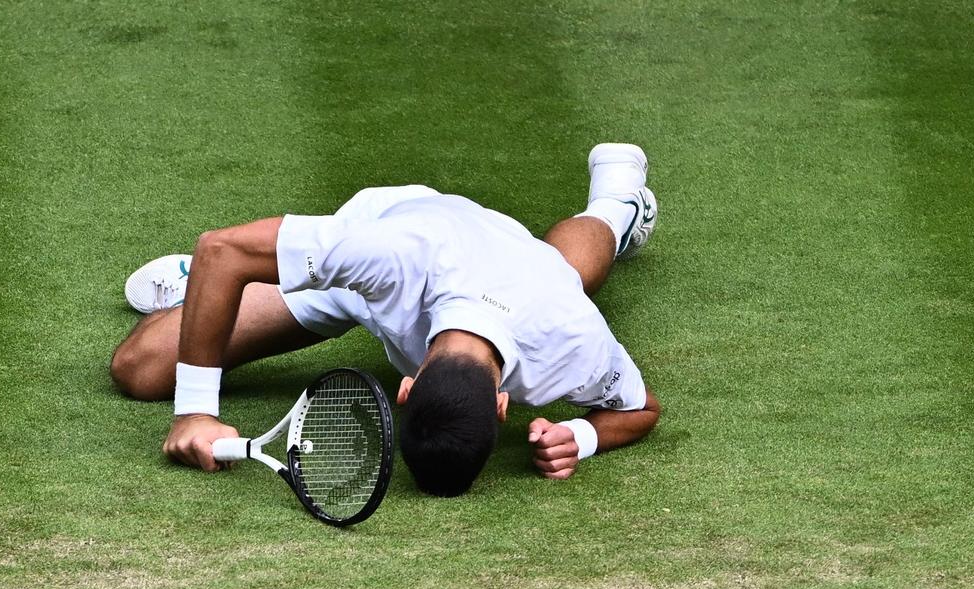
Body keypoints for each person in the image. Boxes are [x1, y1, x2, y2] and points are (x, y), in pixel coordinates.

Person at [110, 143, 661, 496]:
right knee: (142, 367)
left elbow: (642, 409)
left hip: (525, 273)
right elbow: (221, 246)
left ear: (405, 387)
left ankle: (616, 205)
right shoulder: (391, 255)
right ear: (503, 404)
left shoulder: (571, 339)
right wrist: (195, 413)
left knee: (562, 273)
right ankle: (218, 281)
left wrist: (582, 434)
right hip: (386, 258)